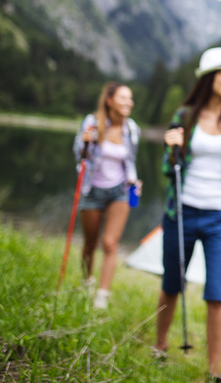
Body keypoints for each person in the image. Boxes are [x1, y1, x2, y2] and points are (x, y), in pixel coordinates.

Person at [153, 47, 221, 381]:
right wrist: (170, 150)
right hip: (181, 213)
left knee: (217, 294)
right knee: (172, 283)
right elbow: (169, 170)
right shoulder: (185, 117)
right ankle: (160, 345)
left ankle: (215, 371)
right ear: (209, 78)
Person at [74, 81, 141, 310]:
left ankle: (102, 295)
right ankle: (86, 282)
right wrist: (85, 142)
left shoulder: (131, 129)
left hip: (119, 192)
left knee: (110, 243)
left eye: (130, 98)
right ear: (110, 101)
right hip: (91, 190)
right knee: (89, 244)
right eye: (123, 98)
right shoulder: (92, 123)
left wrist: (134, 180)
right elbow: (79, 155)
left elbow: (130, 160)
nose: (128, 102)